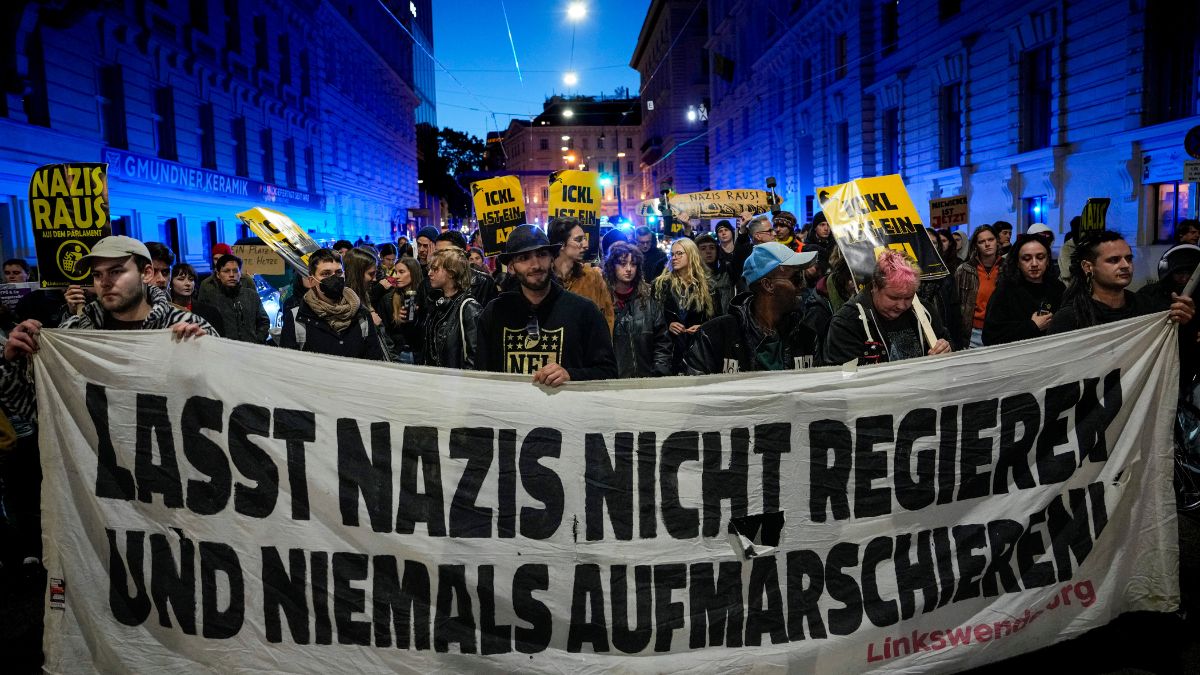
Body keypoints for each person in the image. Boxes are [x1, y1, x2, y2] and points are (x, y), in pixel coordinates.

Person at [0, 236, 213, 572]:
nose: (105, 282)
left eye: (116, 271)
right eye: (98, 275)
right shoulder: (74, 334)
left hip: (174, 493)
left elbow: (221, 406)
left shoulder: (188, 327)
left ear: (146, 273)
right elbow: (39, 411)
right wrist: (11, 362)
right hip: (103, 496)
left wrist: (204, 354)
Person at [475, 224, 617, 385]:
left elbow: (609, 372)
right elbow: (481, 379)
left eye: (542, 254)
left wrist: (571, 375)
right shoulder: (494, 313)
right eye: (524, 258)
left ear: (552, 259)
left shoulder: (584, 311)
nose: (536, 265)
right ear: (512, 268)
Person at [686, 242, 824, 374]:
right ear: (768, 285)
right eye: (796, 279)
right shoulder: (714, 336)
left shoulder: (807, 337)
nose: (802, 286)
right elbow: (696, 388)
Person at [1049, 231, 1195, 334]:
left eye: (1129, 258)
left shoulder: (1150, 308)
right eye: (1114, 260)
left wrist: (1185, 323)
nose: (1125, 265)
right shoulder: (1070, 318)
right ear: (1088, 267)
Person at [825, 249, 952, 365]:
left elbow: (947, 344)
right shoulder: (847, 322)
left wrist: (946, 349)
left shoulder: (924, 311)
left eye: (909, 297)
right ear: (875, 286)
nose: (902, 306)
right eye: (894, 298)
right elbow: (846, 374)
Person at [279, 248, 383, 360]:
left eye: (338, 272)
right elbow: (288, 364)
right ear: (312, 281)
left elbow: (374, 359)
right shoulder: (297, 318)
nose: (334, 278)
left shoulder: (362, 314)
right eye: (326, 274)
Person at [981, 233, 1066, 345]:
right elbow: (990, 336)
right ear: (1018, 263)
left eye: (1040, 257)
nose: (1034, 263)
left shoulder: (1058, 288)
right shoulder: (1005, 291)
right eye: (1027, 259)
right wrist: (1032, 326)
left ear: (1048, 261)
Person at [603, 241, 672, 378]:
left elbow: (663, 341)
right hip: (614, 380)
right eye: (623, 264)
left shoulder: (648, 299)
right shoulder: (603, 301)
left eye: (633, 264)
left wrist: (659, 372)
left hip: (647, 379)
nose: (629, 269)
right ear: (612, 266)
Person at [654, 237, 716, 374]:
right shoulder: (661, 285)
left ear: (691, 254)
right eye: (672, 254)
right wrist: (668, 324)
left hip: (698, 351)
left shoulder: (708, 285)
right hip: (670, 350)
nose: (674, 257)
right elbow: (653, 318)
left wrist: (703, 327)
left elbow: (717, 318)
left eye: (679, 253)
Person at [548, 217, 616, 334]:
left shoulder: (593, 276)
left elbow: (608, 318)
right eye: (578, 240)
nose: (586, 245)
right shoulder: (544, 279)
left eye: (585, 239)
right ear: (561, 244)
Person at [422, 248, 480, 369]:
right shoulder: (438, 303)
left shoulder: (469, 307)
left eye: (435, 269)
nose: (429, 273)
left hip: (456, 379)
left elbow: (474, 358)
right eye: (430, 269)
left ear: (451, 273)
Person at [198, 253, 269, 344]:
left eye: (235, 271)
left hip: (250, 348)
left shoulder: (251, 295)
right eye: (226, 271)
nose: (231, 275)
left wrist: (258, 340)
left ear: (240, 273)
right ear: (218, 274)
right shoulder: (211, 298)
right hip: (223, 348)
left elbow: (264, 321)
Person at [953, 225, 1001, 348]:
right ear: (976, 245)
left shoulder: (1007, 268)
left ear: (997, 241)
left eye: (991, 239)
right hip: (973, 333)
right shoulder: (964, 270)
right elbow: (956, 304)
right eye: (982, 242)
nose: (987, 244)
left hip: (1000, 330)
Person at [435, 230, 499, 307]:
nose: (438, 257)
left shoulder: (484, 282)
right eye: (436, 253)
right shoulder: (431, 281)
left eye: (444, 253)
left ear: (461, 253)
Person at [379, 256, 423, 364]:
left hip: (420, 354)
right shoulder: (387, 299)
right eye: (395, 272)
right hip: (397, 354)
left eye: (401, 272)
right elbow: (385, 333)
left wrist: (418, 317)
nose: (396, 276)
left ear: (413, 273)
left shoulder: (424, 298)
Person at [168, 262, 225, 335]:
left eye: (191, 279)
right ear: (170, 283)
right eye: (181, 279)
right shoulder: (164, 311)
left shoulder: (211, 312)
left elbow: (220, 339)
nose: (188, 283)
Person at [695, 233, 734, 315]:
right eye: (703, 248)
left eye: (712, 248)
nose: (708, 251)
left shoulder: (726, 273)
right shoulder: (693, 278)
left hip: (726, 320)